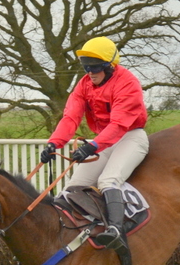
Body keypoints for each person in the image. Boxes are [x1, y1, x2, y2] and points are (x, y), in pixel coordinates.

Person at [40, 36, 149, 253]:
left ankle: (116, 231)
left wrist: (92, 147)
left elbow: (119, 125)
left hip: (130, 137)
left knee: (108, 180)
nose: (90, 72)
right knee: (73, 186)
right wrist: (54, 144)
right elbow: (70, 117)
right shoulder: (84, 84)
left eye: (95, 68)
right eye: (87, 68)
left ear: (109, 67)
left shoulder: (127, 83)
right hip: (104, 142)